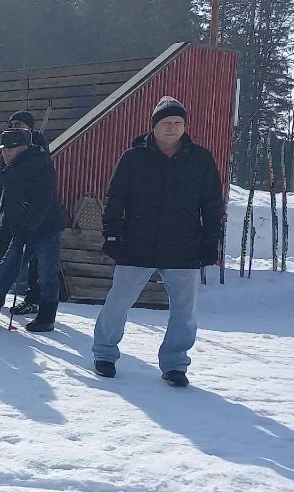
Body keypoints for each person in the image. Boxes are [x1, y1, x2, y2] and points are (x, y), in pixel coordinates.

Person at [92, 97, 223, 386]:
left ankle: (175, 364)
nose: (172, 127)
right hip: (136, 245)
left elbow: (213, 204)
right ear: (154, 126)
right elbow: (115, 200)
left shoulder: (201, 159)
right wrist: (112, 235)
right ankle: (104, 353)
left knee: (184, 311)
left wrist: (211, 241)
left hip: (183, 246)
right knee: (117, 303)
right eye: (166, 122)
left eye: (178, 123)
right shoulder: (133, 157)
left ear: (185, 126)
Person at [0, 129, 64, 332]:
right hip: (20, 228)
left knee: (47, 274)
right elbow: (1, 194)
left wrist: (29, 227)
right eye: (4, 149)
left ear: (24, 147)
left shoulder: (40, 165)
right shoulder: (8, 167)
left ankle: (46, 317)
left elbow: (42, 202)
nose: (6, 153)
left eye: (11, 149)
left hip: (45, 228)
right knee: (5, 268)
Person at [0, 110, 53, 311]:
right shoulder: (7, 146)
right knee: (0, 256)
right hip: (8, 209)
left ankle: (33, 300)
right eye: (11, 124)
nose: (14, 127)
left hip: (31, 215)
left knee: (36, 263)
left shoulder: (37, 148)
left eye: (18, 124)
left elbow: (40, 188)